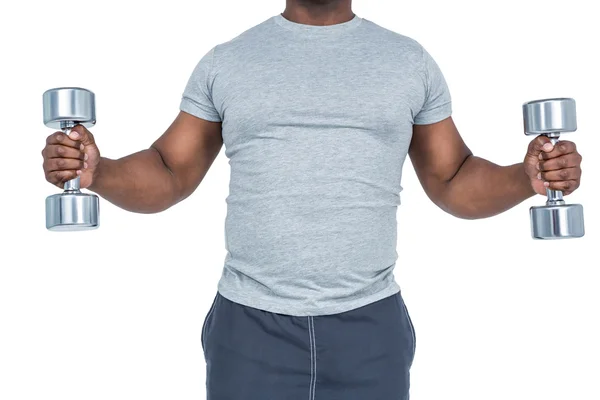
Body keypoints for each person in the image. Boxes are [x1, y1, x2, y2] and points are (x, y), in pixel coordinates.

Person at [41, 0, 583, 398]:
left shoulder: (408, 61)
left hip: (369, 325)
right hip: (249, 326)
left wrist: (526, 177)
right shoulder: (228, 61)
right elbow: (169, 172)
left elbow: (454, 179)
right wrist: (98, 171)